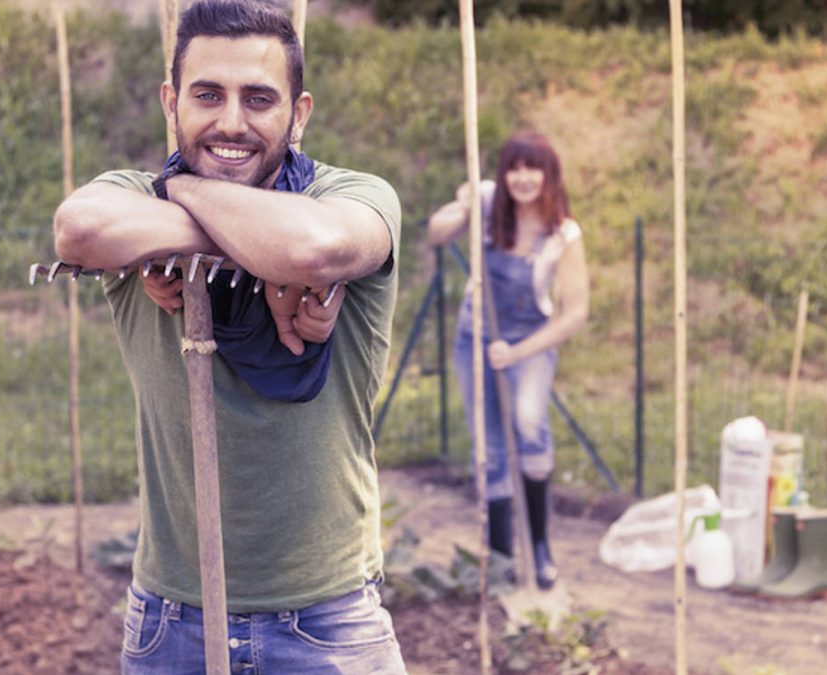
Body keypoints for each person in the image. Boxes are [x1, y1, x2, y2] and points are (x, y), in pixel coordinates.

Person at [52, 1, 406, 672]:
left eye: (259, 98)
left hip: (327, 621)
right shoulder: (130, 192)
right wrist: (241, 232)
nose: (231, 122)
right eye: (207, 95)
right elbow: (82, 232)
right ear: (170, 101)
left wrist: (180, 205)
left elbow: (315, 245)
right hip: (171, 619)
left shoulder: (353, 194)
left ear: (298, 113)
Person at [427, 129, 589, 590]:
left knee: (529, 421)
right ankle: (501, 561)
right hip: (474, 339)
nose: (522, 178)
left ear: (548, 175)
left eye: (532, 168)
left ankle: (539, 546)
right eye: (514, 167)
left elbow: (575, 312)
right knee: (490, 449)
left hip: (529, 344)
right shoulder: (486, 201)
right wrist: (462, 205)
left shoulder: (563, 233)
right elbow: (437, 235)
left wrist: (516, 352)